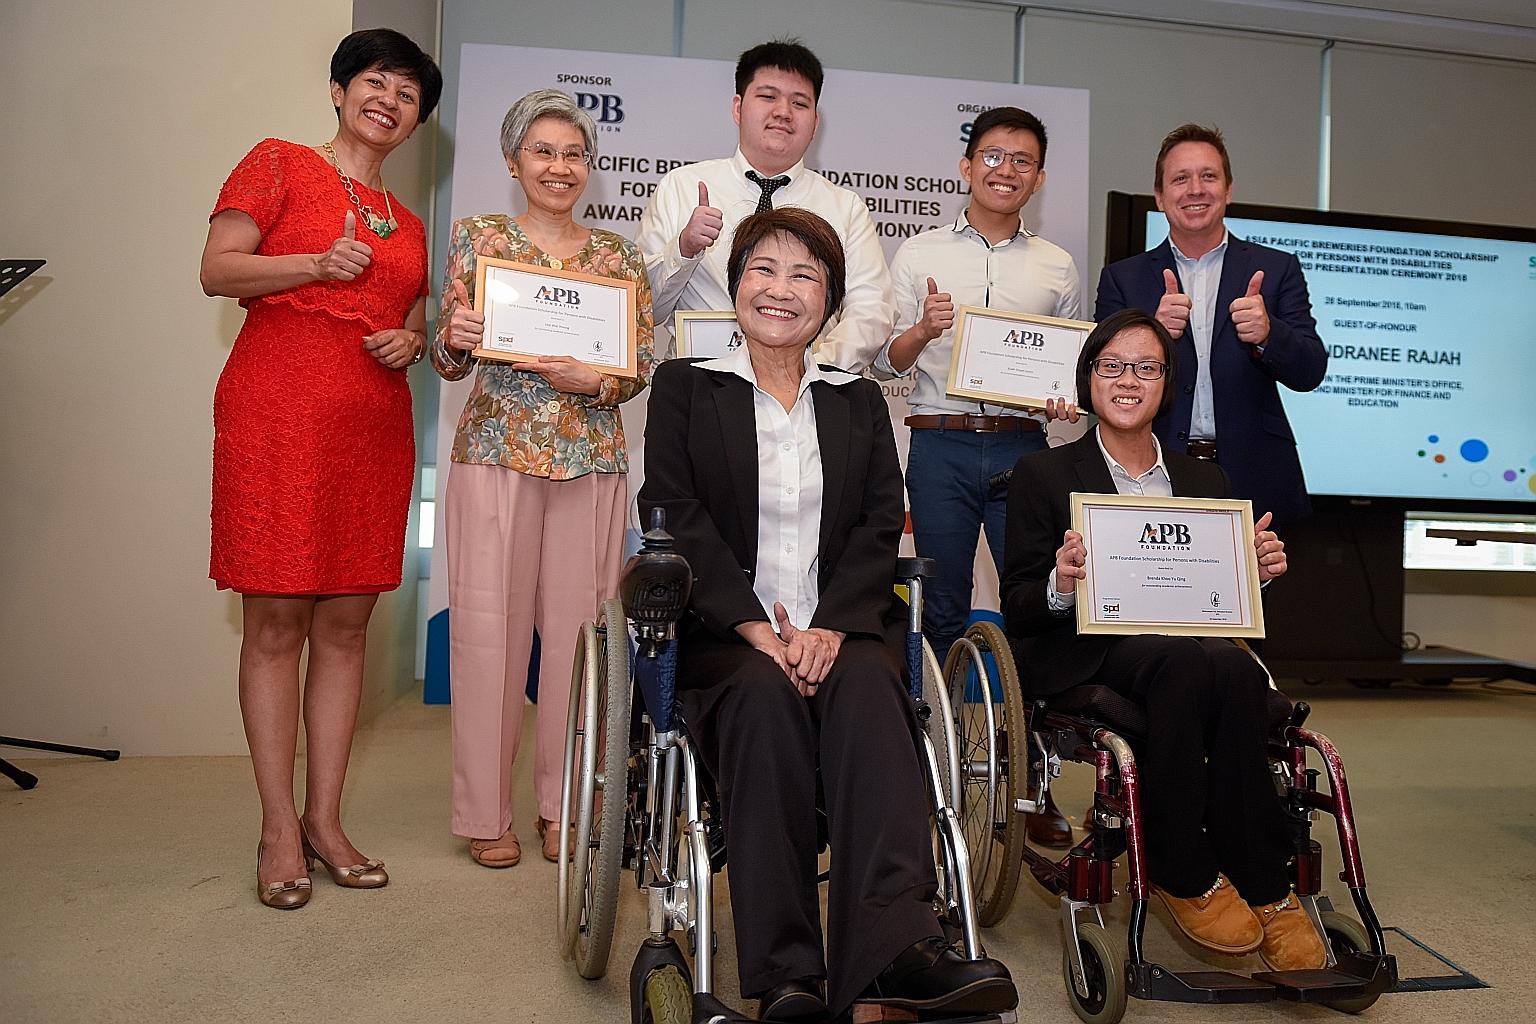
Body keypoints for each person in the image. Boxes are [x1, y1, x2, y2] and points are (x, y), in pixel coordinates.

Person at [639, 208, 1015, 1023]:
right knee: (762, 695)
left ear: (831, 303)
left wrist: (832, 627)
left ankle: (896, 954)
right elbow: (674, 512)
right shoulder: (685, 386)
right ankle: (788, 980)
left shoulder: (854, 403)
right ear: (736, 285)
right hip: (726, 636)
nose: (780, 289)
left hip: (838, 629)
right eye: (763, 270)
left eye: (804, 275)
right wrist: (755, 628)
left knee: (876, 692)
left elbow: (883, 524)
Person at [1000, 308, 1326, 972]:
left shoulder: (1206, 481)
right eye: (1112, 366)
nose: (1128, 379)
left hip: (1185, 645)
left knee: (1233, 673)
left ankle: (1264, 882)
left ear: (1166, 382)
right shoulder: (1043, 474)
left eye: (1145, 367)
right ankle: (1182, 869)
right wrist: (1063, 582)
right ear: (1089, 378)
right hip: (1083, 646)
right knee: (1181, 661)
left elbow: (1217, 605)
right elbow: (1021, 606)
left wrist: (1254, 576)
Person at [200, 28, 441, 910]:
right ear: (340, 91)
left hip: (373, 424)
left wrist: (411, 337)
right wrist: (313, 261)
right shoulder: (277, 163)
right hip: (277, 411)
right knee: (274, 622)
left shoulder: (410, 225)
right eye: (375, 80)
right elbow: (215, 270)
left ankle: (326, 821)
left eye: (409, 92)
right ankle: (275, 828)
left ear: (417, 121)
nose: (390, 98)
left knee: (347, 625)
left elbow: (402, 312)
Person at [432, 90, 655, 869]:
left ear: (589, 168)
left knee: (578, 642)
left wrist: (591, 376)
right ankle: (484, 813)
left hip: (589, 457)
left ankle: (566, 804)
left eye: (573, 155)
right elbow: (448, 352)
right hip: (495, 449)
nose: (560, 168)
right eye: (543, 153)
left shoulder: (618, 258)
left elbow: (637, 368)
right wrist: (454, 339)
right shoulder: (478, 238)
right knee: (486, 634)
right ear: (512, 161)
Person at [876, 106, 1080, 847]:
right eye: (991, 156)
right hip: (942, 448)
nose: (1005, 170)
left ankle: (1034, 783)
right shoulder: (918, 252)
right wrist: (925, 330)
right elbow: (884, 361)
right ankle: (927, 774)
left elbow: (1073, 370)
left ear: (1039, 176)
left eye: (1021, 160)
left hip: (1028, 450)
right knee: (939, 612)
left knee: (1034, 609)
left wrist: (1068, 396)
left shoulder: (1056, 264)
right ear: (966, 166)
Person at [1095, 124, 1326, 525]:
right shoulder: (1123, 278)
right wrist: (1150, 333)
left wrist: (1270, 334)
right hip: (1152, 469)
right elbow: (1095, 382)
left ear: (1229, 189)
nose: (1195, 189)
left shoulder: (1276, 268)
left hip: (1255, 476)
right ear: (1160, 197)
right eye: (1180, 179)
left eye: (1208, 176)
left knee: (1255, 589)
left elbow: (1310, 371)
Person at [635, 39, 893, 372]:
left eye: (799, 103)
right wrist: (683, 250)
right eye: (768, 97)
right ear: (738, 108)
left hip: (807, 394)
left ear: (815, 123)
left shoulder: (845, 208)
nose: (783, 112)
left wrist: (813, 371)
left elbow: (870, 310)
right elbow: (644, 310)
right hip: (699, 386)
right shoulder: (681, 187)